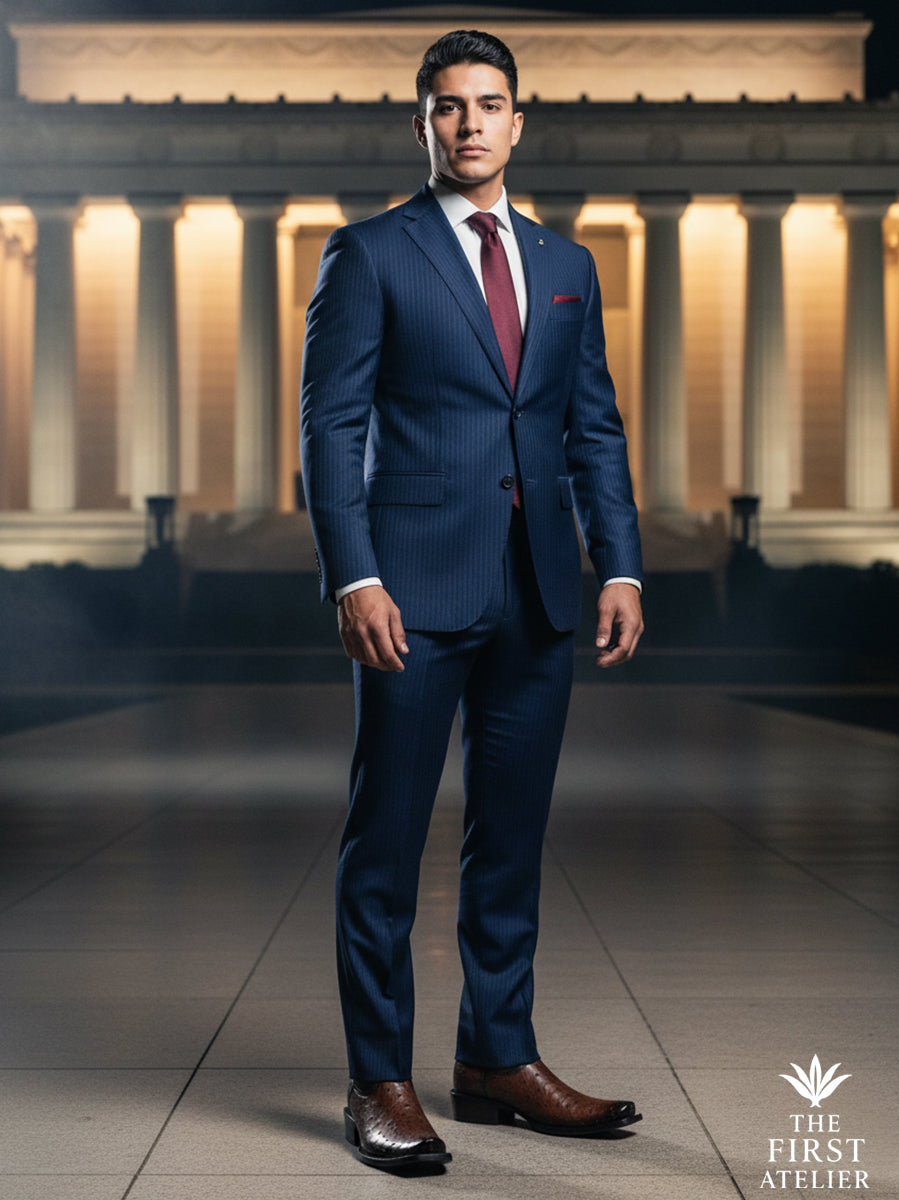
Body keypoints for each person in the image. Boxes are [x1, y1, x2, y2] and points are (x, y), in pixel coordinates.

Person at [300, 29, 644, 1172]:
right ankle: (379, 1081)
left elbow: (591, 424)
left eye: (489, 104)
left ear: (518, 119)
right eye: (448, 107)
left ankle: (498, 1060)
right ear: (422, 123)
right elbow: (331, 427)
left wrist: (623, 564)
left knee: (510, 842)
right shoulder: (370, 253)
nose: (470, 124)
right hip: (411, 591)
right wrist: (354, 574)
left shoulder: (564, 265)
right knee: (385, 845)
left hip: (540, 591)